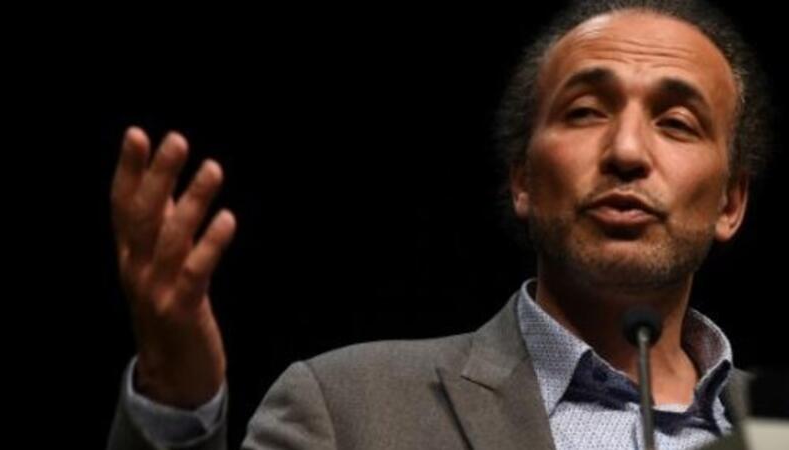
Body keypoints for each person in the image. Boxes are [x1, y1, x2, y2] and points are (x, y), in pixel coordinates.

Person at [106, 1, 773, 448]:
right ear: (523, 180)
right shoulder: (348, 407)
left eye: (676, 123)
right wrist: (174, 402)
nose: (626, 151)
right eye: (585, 112)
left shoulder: (777, 423)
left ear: (730, 204)